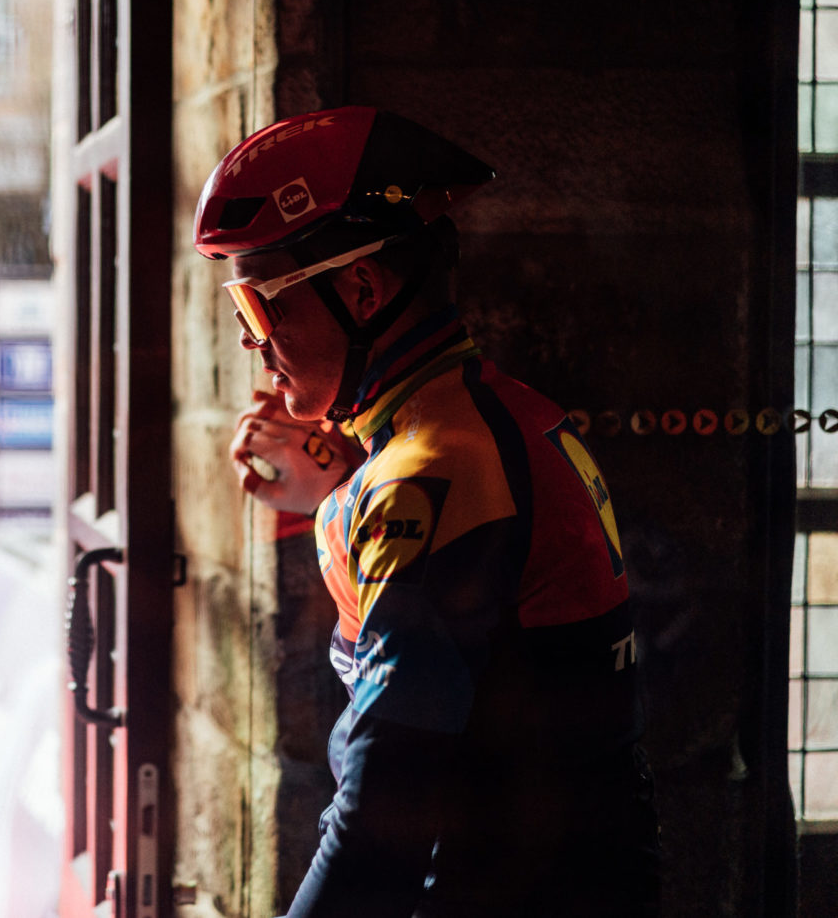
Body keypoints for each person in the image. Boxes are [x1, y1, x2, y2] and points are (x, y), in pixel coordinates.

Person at [194, 107, 659, 917]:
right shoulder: (502, 414)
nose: (250, 341)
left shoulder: (433, 476)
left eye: (261, 307)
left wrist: (366, 500)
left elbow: (380, 828)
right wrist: (337, 496)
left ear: (361, 289)